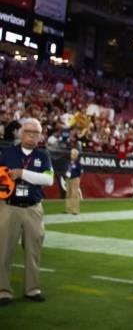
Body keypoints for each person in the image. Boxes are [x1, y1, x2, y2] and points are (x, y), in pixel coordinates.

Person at [0, 118, 54, 306]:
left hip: (33, 208)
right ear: (21, 133)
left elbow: (48, 180)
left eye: (36, 133)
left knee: (33, 251)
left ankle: (33, 289)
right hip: (9, 207)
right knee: (4, 250)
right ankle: (3, 291)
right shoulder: (6, 152)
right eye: (28, 132)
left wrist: (22, 173)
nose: (31, 136)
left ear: (40, 135)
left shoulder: (43, 155)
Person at [64, 148, 82, 215]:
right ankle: (68, 209)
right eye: (71, 154)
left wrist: (74, 175)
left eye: (74, 154)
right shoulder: (68, 162)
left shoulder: (78, 163)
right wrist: (66, 178)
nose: (72, 155)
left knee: (74, 194)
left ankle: (75, 210)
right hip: (68, 179)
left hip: (75, 179)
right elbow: (67, 171)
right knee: (68, 194)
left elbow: (80, 173)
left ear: (76, 155)